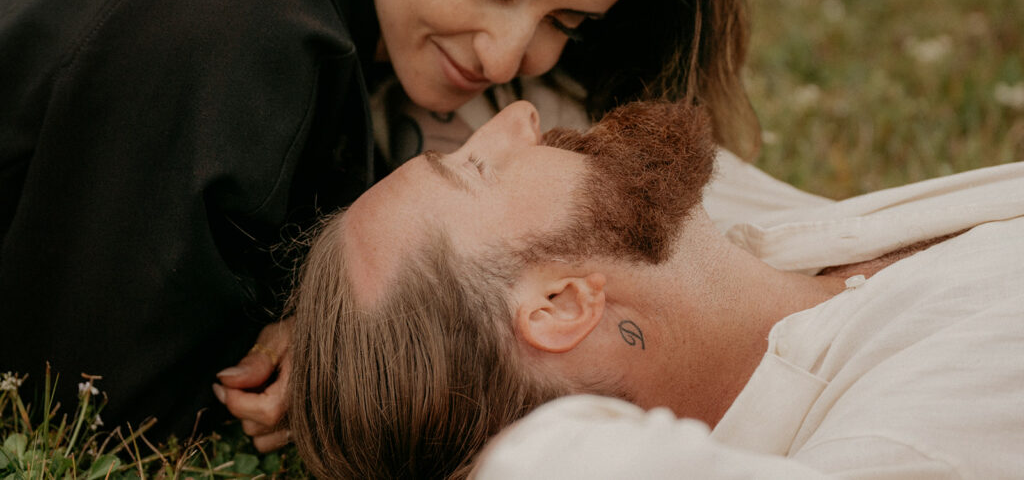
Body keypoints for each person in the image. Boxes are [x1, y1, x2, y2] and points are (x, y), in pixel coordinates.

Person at [0, 0, 764, 441]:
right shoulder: (238, 43)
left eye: (566, 20)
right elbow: (92, 402)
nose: (505, 58)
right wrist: (348, 332)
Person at [287, 99, 1024, 478]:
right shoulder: (910, 434)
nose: (515, 119)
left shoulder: (759, 243)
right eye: (478, 167)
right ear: (560, 307)